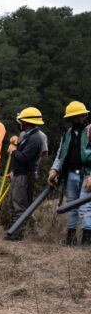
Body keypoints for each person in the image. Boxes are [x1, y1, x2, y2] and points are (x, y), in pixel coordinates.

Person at [48, 100, 91, 247]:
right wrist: (54, 170)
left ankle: (86, 240)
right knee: (72, 206)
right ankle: (70, 239)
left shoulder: (90, 131)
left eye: (78, 116)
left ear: (84, 116)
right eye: (73, 117)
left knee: (86, 206)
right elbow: (60, 154)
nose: (76, 119)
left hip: (87, 174)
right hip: (71, 173)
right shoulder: (67, 134)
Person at [4, 108, 44, 241]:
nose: (19, 122)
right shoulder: (27, 135)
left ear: (26, 122)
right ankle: (18, 230)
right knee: (13, 203)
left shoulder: (35, 138)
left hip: (25, 176)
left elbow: (24, 157)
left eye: (21, 121)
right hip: (18, 174)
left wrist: (13, 151)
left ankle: (17, 233)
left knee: (19, 205)